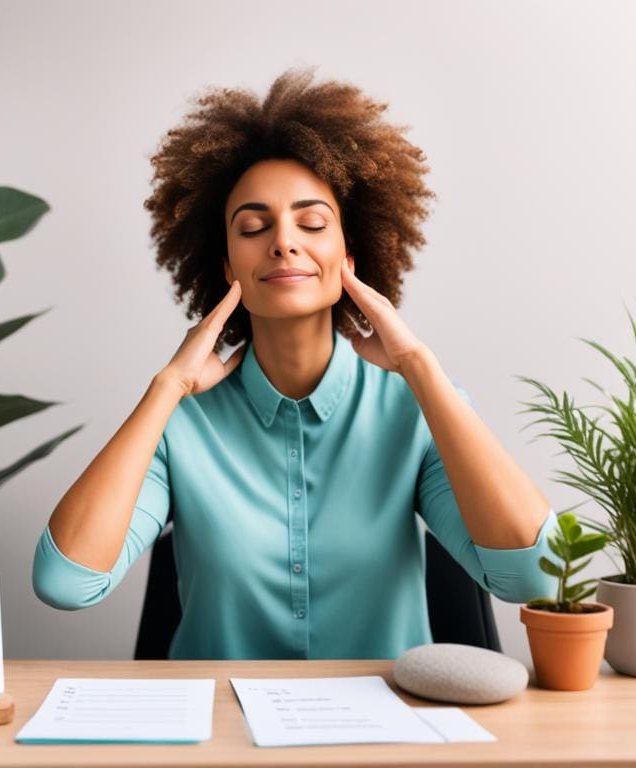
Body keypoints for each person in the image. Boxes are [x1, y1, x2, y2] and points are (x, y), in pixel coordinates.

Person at [31, 66, 559, 659]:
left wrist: (418, 365)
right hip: (221, 737)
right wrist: (167, 387)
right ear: (227, 267)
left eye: (312, 223)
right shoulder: (183, 420)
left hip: (379, 739)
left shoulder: (409, 407)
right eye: (254, 227)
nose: (284, 241)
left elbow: (534, 578)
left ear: (349, 257)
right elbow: (66, 583)